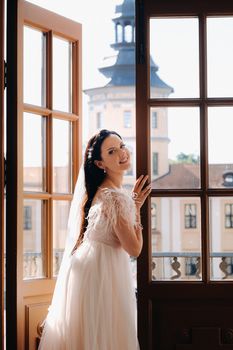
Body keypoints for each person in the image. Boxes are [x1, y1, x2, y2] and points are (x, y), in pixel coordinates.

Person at [39, 129, 151, 350]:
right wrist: (136, 207)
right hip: (101, 273)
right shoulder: (113, 197)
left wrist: (134, 204)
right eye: (112, 151)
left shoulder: (105, 191)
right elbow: (134, 249)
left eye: (121, 146)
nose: (122, 153)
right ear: (100, 164)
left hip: (91, 269)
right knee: (103, 336)